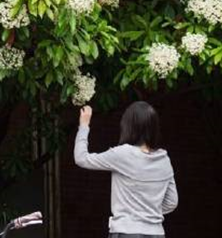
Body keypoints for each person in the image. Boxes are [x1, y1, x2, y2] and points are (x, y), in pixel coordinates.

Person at [74, 101, 178, 238]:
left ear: (128, 126)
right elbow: (172, 202)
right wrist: (147, 214)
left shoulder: (122, 154)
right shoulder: (164, 159)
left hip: (126, 231)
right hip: (157, 233)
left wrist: (84, 125)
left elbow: (81, 158)